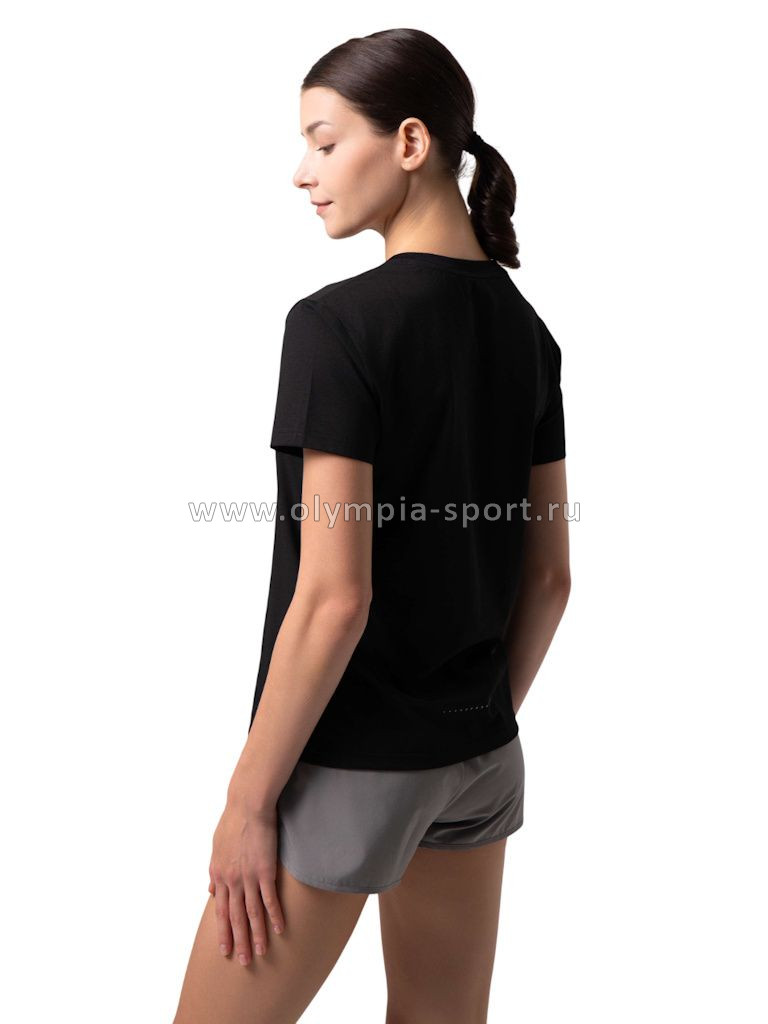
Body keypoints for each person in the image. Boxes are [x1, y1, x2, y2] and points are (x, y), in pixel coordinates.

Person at [173, 27, 571, 1024]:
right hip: (481, 762)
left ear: (410, 142)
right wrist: (466, 721)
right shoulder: (529, 334)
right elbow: (550, 578)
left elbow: (335, 596)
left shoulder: (337, 326)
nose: (301, 172)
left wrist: (247, 804)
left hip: (353, 758)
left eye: (323, 140)